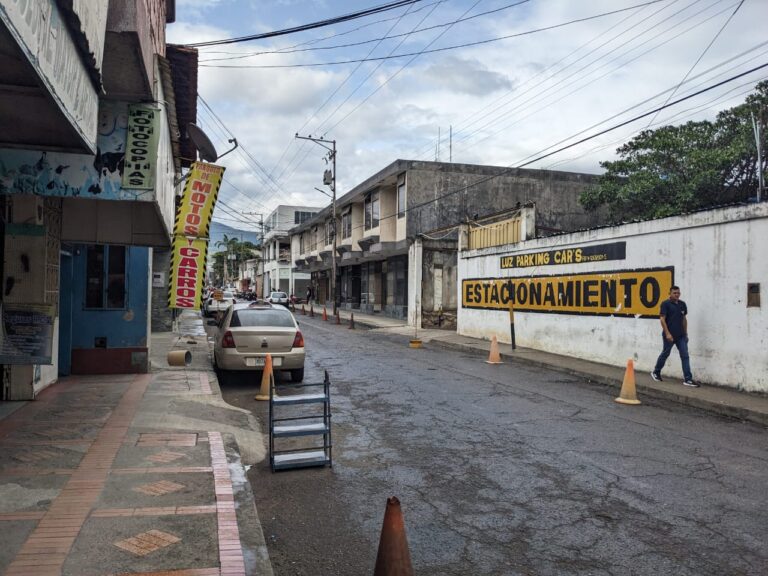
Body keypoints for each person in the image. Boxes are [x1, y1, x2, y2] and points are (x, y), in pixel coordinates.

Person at [651, 286, 698, 387]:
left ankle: (688, 379)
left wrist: (686, 334)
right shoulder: (665, 304)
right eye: (674, 293)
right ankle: (656, 372)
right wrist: (667, 333)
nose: (677, 294)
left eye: (678, 293)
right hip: (669, 335)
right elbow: (662, 319)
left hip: (681, 336)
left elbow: (684, 319)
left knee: (685, 355)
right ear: (670, 293)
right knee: (665, 353)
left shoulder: (682, 304)